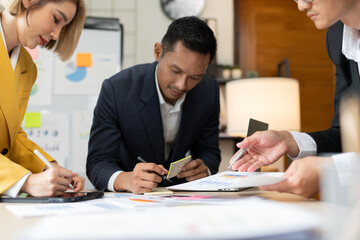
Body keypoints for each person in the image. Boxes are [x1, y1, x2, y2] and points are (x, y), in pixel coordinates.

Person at [230, 0, 360, 198]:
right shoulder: (337, 37)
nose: (301, 5)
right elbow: (345, 136)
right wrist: (288, 140)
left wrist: (331, 169)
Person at [87, 16, 220, 194]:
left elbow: (209, 152)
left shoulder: (208, 91)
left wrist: (205, 170)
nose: (182, 85)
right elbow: (98, 161)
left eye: (195, 77)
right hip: (130, 198)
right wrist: (126, 179)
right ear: (158, 52)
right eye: (175, 71)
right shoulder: (117, 89)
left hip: (181, 198)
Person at [0, 0, 86, 197]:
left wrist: (50, 169)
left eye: (62, 27)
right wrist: (25, 181)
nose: (56, 34)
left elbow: (10, 138)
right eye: (56, 19)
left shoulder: (27, 68)